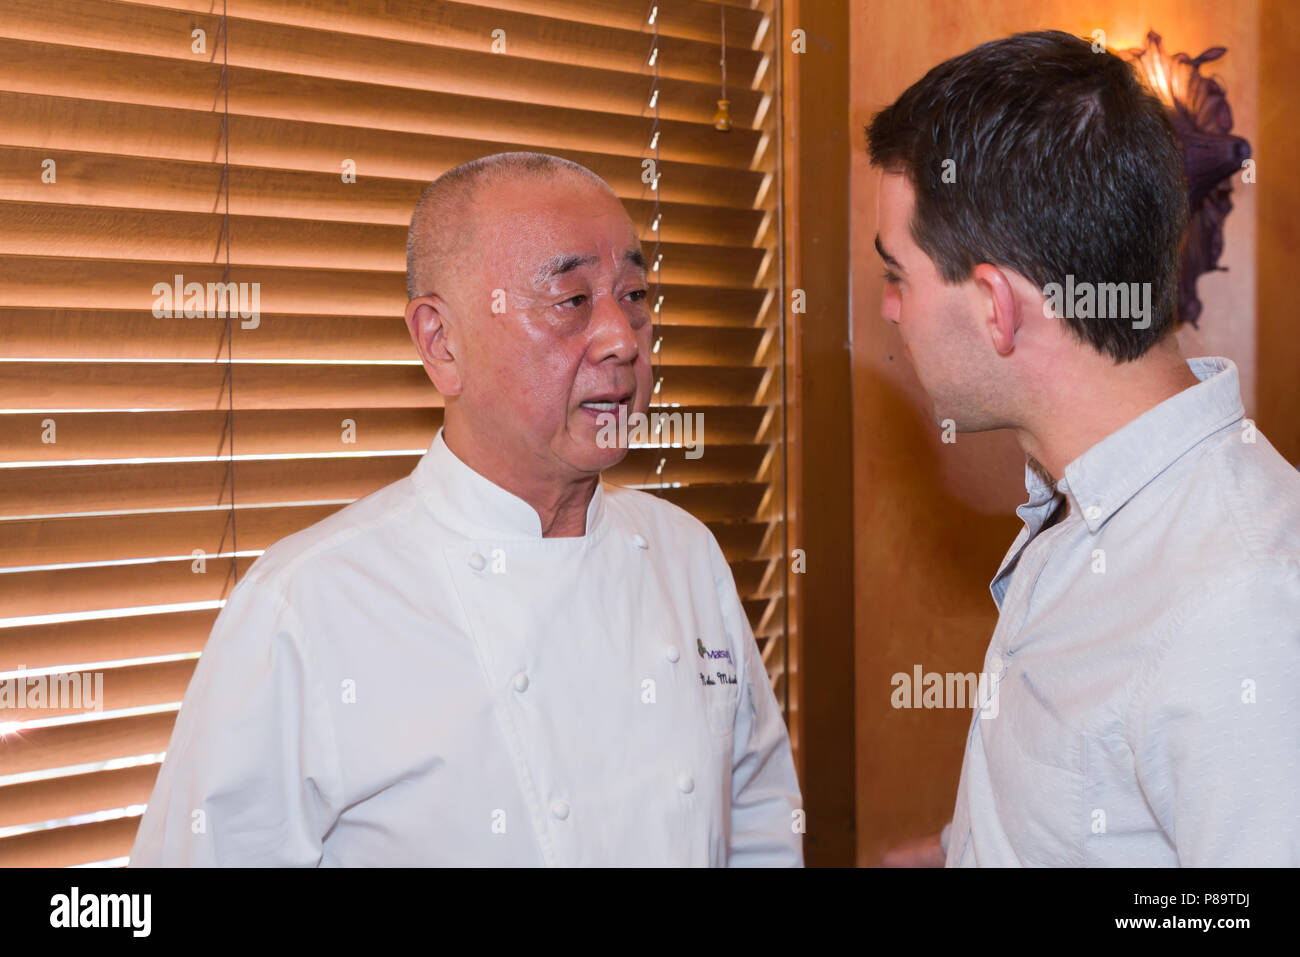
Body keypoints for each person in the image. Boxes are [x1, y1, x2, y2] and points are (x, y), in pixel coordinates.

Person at [128, 152, 803, 867]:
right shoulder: (307, 606)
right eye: (571, 300)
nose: (621, 338)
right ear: (441, 343)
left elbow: (759, 819)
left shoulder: (684, 552)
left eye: (633, 294)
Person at [868, 31, 1300, 866]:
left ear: (995, 307)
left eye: (898, 275)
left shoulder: (1246, 600)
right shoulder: (1082, 503)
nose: (890, 310)